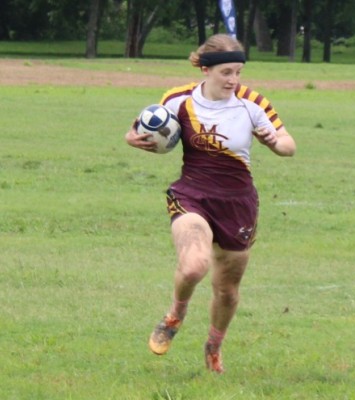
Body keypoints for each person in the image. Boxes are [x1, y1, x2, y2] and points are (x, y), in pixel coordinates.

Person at [124, 34, 296, 373]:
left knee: (227, 290)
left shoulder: (252, 103)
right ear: (205, 69)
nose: (234, 80)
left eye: (239, 72)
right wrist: (131, 138)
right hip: (192, 194)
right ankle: (175, 314)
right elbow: (140, 127)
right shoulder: (178, 100)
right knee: (193, 265)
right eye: (226, 72)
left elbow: (289, 145)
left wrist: (275, 142)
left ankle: (214, 345)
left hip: (237, 204)